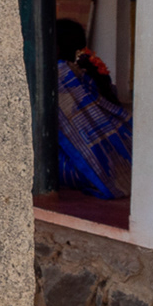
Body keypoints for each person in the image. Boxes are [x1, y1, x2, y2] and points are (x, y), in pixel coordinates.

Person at [55, 18, 131, 199]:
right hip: (119, 159)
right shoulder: (87, 69)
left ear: (55, 47)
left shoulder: (60, 74)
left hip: (87, 169)